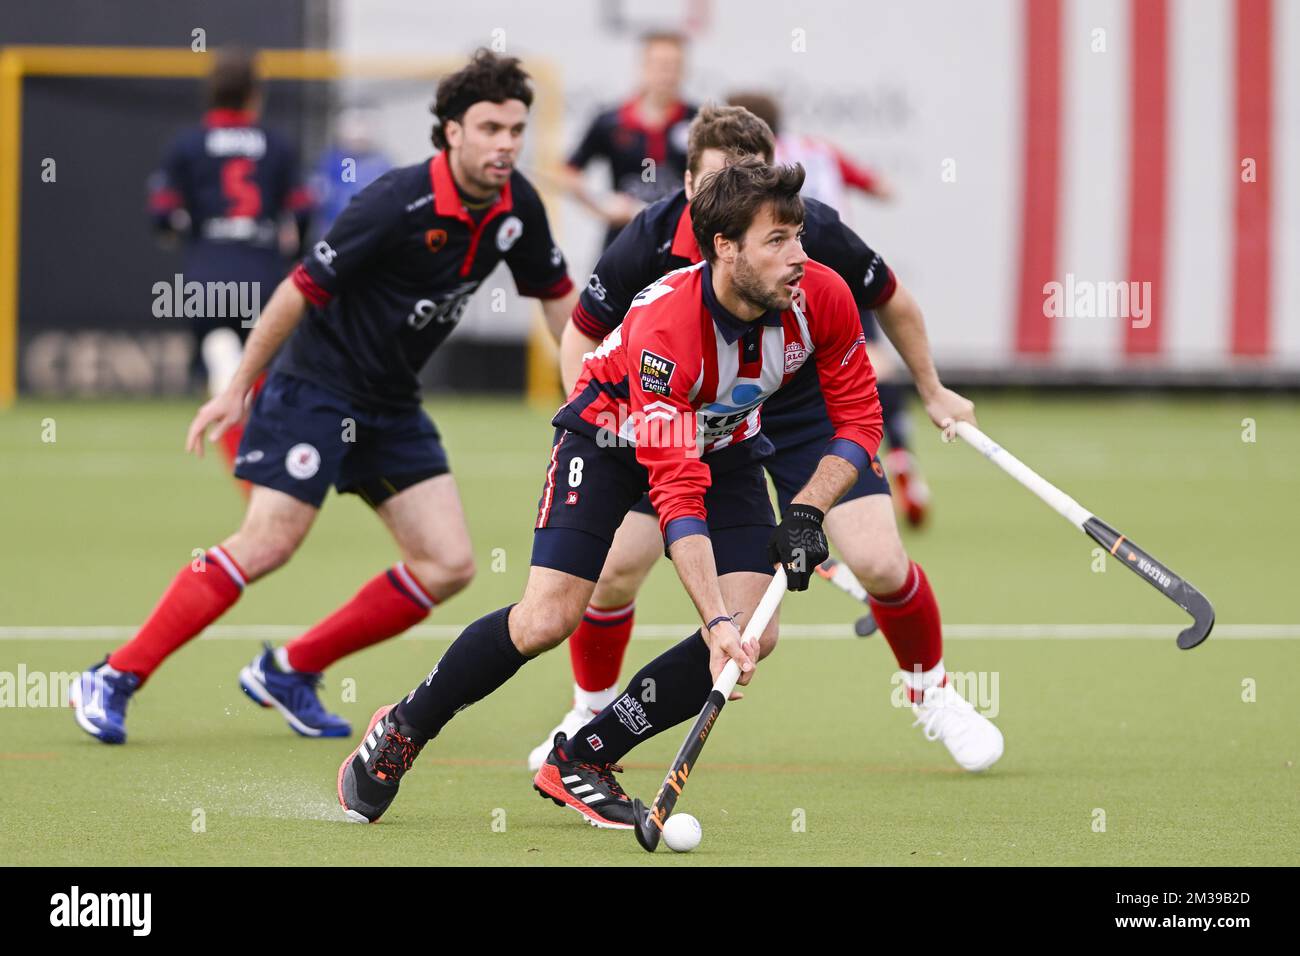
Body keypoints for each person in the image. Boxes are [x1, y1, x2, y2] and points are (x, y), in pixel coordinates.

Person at [337, 159, 885, 827]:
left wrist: (808, 506)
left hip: (729, 445)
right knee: (547, 618)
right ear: (725, 247)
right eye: (777, 240)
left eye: (798, 235)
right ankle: (404, 727)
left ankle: (583, 759)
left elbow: (860, 418)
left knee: (756, 634)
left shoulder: (821, 295)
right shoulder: (669, 329)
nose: (799, 256)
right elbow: (677, 495)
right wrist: (713, 623)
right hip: (607, 442)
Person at [71, 50, 577, 745]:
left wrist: (590, 390)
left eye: (516, 129)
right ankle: (114, 674)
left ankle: (289, 669)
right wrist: (239, 387)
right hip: (318, 388)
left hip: (392, 402)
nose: (506, 144)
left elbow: (558, 303)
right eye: (490, 128)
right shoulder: (395, 201)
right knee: (270, 540)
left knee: (450, 565)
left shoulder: (517, 204)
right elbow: (296, 290)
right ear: (452, 131)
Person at [526, 105, 1001, 780]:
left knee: (880, 560)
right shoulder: (651, 238)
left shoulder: (804, 233)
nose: (729, 202)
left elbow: (891, 298)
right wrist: (609, 433)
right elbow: (582, 331)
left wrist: (930, 388)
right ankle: (589, 711)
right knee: (613, 571)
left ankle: (932, 693)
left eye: (747, 185)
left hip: (797, 404)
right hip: (688, 412)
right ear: (687, 184)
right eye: (715, 184)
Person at [728, 91, 930, 526]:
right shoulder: (819, 151)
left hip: (785, 278)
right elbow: (882, 188)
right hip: (841, 267)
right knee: (874, 367)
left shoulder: (743, 177)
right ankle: (900, 452)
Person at [148, 48, 314, 487]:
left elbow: (162, 215)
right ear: (254, 96)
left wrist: (191, 228)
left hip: (208, 275)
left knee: (223, 365)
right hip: (263, 276)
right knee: (264, 375)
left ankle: (247, 474)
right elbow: (301, 210)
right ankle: (272, 467)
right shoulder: (277, 144)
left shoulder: (186, 144)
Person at [562, 32, 697, 248]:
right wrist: (601, 207)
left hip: (681, 243)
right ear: (642, 67)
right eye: (661, 65)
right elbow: (570, 171)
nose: (668, 74)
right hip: (623, 241)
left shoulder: (699, 121)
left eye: (675, 65)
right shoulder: (611, 121)